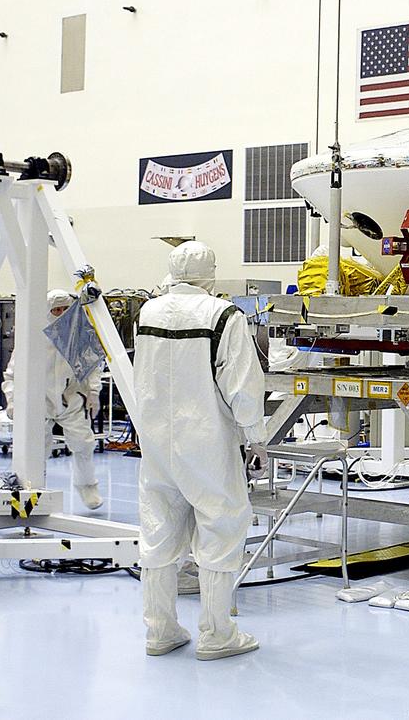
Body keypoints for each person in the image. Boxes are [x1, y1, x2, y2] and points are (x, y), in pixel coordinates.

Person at [134, 241, 268, 660]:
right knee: (221, 525)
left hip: (156, 439)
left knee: (158, 528)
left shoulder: (148, 312)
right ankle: (217, 633)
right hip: (207, 440)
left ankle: (160, 631)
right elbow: (243, 384)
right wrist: (256, 437)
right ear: (210, 272)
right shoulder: (223, 315)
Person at [2, 289, 104, 510]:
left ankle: (87, 486)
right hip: (39, 399)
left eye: (64, 310)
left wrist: (93, 393)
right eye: (55, 310)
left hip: (72, 397)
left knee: (84, 443)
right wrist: (13, 400)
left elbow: (93, 366)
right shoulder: (32, 337)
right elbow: (12, 374)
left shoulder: (79, 334)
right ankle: (33, 487)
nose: (60, 314)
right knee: (37, 448)